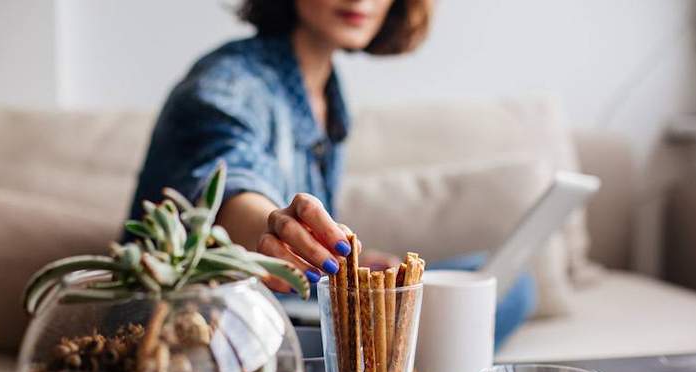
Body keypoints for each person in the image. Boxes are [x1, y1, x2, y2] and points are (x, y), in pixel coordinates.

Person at [128, 0, 535, 348]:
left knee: (498, 283)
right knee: (474, 306)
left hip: (297, 305)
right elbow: (229, 182)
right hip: (206, 317)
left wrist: (339, 265)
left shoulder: (327, 91)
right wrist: (275, 232)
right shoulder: (229, 80)